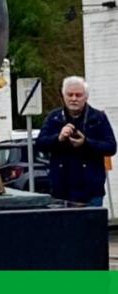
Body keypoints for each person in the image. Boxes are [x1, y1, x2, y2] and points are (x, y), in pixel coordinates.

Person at [37, 76, 116, 206]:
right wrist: (59, 138)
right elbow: (40, 144)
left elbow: (111, 147)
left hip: (91, 191)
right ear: (63, 96)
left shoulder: (98, 118)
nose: (74, 99)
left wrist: (86, 143)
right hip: (61, 190)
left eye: (78, 95)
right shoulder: (54, 117)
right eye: (70, 95)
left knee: (91, 226)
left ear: (86, 97)